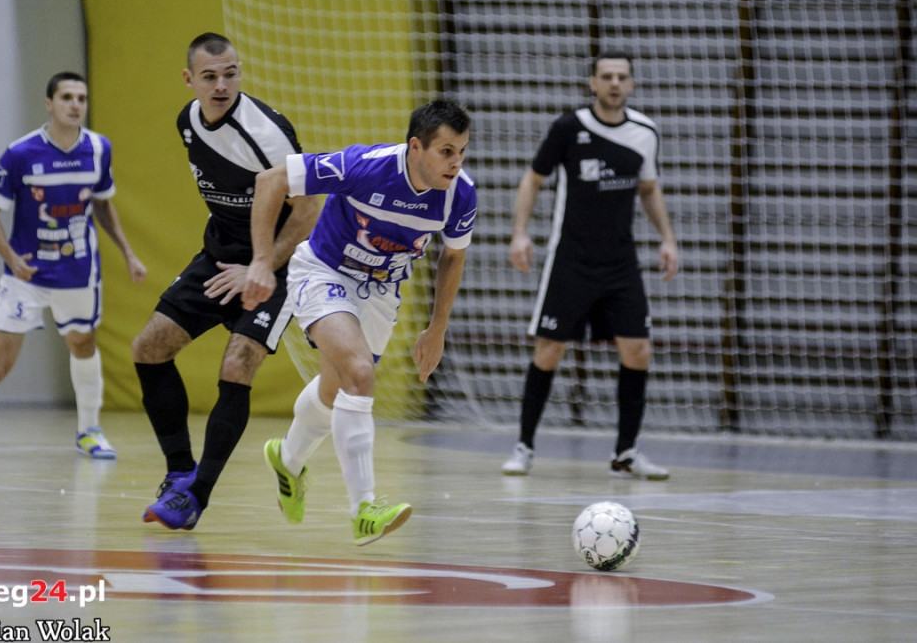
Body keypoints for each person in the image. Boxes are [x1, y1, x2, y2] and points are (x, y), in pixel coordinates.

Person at [242, 99, 476, 546]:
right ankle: (364, 509)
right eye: (446, 151)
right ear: (416, 147)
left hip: (381, 292)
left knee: (335, 392)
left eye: (462, 151)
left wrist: (437, 329)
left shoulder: (461, 194)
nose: (456, 162)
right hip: (323, 272)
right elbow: (270, 180)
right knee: (360, 372)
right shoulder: (364, 167)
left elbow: (453, 256)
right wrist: (260, 260)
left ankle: (287, 460)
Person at [0, 72, 147, 459]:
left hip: (78, 272)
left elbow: (102, 204)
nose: (75, 105)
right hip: (27, 275)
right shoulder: (21, 153)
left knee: (83, 344)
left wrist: (129, 253)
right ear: (49, 104)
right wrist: (11, 259)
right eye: (67, 97)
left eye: (81, 98)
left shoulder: (100, 149)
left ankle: (89, 431)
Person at [135, 33, 320, 531]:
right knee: (149, 347)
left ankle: (197, 496)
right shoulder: (187, 122)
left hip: (281, 263)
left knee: (237, 365)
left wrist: (262, 264)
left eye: (230, 73)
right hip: (219, 256)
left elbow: (308, 210)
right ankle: (179, 473)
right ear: (189, 79)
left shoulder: (268, 134)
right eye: (210, 76)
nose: (221, 85)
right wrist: (234, 260)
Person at [501, 52, 679, 480]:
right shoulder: (569, 127)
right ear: (593, 83)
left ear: (631, 84)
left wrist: (668, 238)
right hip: (571, 258)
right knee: (551, 348)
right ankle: (524, 446)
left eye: (622, 77)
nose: (615, 83)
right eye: (606, 77)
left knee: (638, 350)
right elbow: (532, 179)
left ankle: (626, 453)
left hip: (620, 261)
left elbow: (649, 190)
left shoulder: (644, 133)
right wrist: (520, 233)